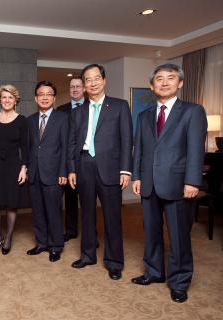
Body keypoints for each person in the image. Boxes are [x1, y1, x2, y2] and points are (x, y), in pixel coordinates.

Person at [131, 63, 207, 303]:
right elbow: (139, 149)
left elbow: (196, 150)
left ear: (180, 83)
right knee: (151, 232)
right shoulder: (144, 115)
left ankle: (180, 281)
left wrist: (193, 181)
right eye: (159, 79)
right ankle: (154, 272)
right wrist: (137, 176)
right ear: (152, 86)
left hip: (179, 185)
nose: (164, 83)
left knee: (179, 236)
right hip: (149, 184)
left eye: (170, 78)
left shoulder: (193, 111)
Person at [68, 64, 132, 280]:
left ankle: (114, 262)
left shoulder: (119, 106)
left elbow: (127, 140)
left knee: (112, 216)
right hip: (84, 164)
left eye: (96, 78)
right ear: (84, 85)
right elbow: (72, 142)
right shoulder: (77, 112)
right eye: (88, 80)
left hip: (111, 168)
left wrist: (125, 169)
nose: (93, 83)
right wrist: (71, 169)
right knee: (86, 214)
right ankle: (87, 255)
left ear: (104, 81)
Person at [0, 84, 29, 255]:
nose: (7, 100)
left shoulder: (22, 120)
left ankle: (8, 237)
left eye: (10, 97)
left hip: (13, 166)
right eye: (4, 97)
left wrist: (24, 168)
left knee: (11, 205)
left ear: (15, 100)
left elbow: (25, 147)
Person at [26, 81, 69, 262]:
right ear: (36, 98)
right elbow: (28, 148)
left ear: (54, 98)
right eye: (41, 94)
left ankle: (56, 245)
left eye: (48, 94)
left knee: (54, 211)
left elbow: (66, 147)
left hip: (54, 173)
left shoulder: (63, 118)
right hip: (34, 173)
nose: (44, 97)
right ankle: (41, 242)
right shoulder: (29, 120)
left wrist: (63, 172)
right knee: (38, 211)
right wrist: (27, 169)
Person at [57, 76, 87, 242]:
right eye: (72, 87)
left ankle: (91, 234)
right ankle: (71, 230)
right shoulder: (61, 110)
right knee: (69, 199)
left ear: (84, 88)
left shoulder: (92, 107)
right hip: (69, 161)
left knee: (88, 201)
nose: (75, 89)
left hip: (88, 161)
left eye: (78, 86)